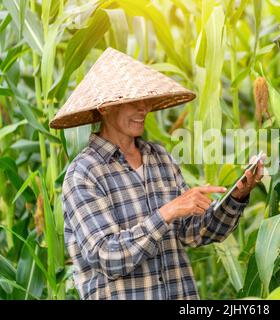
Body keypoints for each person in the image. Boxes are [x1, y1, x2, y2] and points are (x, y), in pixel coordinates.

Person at [50, 47, 263, 299]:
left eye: (146, 99)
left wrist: (236, 197)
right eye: (132, 100)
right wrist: (168, 212)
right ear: (105, 108)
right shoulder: (83, 174)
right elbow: (107, 257)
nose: (144, 108)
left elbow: (193, 232)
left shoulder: (159, 158)